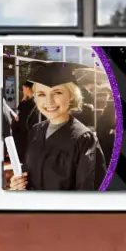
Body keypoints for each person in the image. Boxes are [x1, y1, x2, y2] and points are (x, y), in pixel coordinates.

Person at [9, 62, 106, 192]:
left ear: (71, 96)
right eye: (42, 94)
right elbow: (31, 173)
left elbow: (88, 193)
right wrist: (20, 183)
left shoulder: (84, 139)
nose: (49, 101)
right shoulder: (36, 130)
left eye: (57, 93)